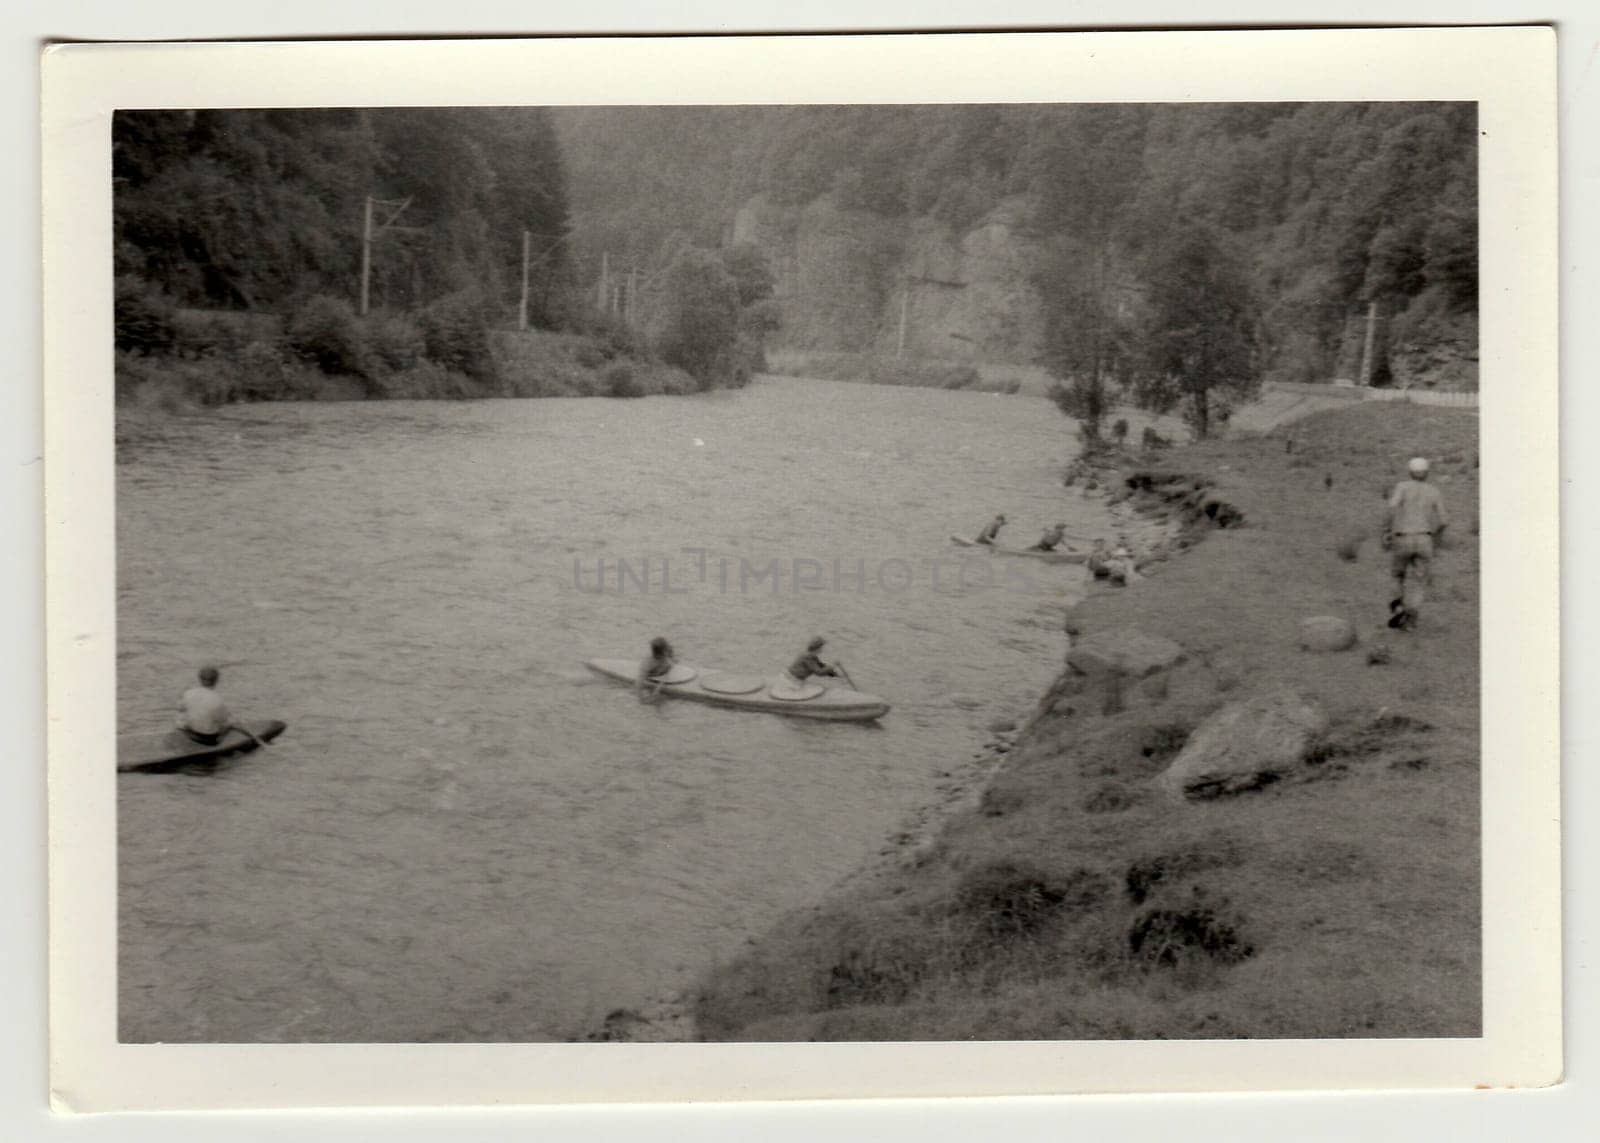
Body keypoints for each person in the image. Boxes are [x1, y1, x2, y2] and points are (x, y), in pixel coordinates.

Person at [1383, 456, 1448, 630]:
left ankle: (1398, 606)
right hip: (1425, 539)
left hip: (1403, 536)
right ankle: (1410, 622)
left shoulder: (1402, 487)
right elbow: (1443, 521)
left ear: (1410, 472)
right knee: (1420, 582)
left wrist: (1386, 531)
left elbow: (1391, 509)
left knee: (1397, 576)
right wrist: (1434, 536)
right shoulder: (1434, 491)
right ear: (1427, 473)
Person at [177, 666, 262, 747]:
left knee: (184, 718)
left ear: (199, 679)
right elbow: (223, 722)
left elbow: (181, 709)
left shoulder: (188, 693)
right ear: (216, 680)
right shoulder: (218, 700)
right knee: (230, 724)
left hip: (190, 733)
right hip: (207, 739)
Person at [637, 636, 678, 701]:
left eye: (666, 650)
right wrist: (641, 697)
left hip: (663, 669)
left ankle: (657, 691)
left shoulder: (667, 652)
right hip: (653, 672)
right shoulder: (648, 663)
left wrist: (658, 689)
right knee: (666, 666)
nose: (666, 652)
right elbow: (639, 681)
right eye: (665, 651)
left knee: (669, 664)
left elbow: (666, 674)